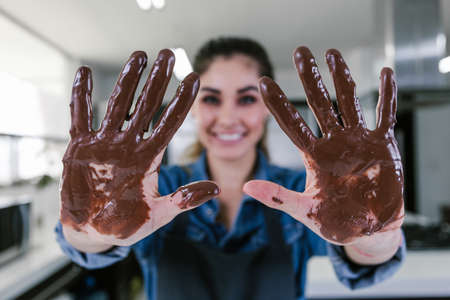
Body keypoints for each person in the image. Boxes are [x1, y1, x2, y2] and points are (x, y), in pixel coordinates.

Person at [56, 37, 406, 300]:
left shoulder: (304, 192)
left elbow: (365, 260)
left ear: (269, 108)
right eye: (210, 98)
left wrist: (376, 233)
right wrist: (90, 229)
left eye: (247, 98)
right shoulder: (158, 188)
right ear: (190, 108)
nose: (227, 118)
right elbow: (86, 248)